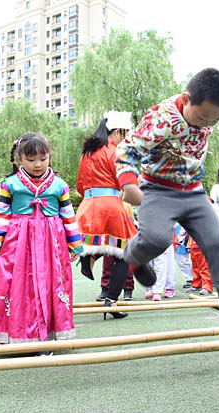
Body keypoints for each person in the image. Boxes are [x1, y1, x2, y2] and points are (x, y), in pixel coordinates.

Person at [115, 68, 219, 355]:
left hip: (192, 191)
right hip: (158, 189)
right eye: (202, 117)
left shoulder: (207, 113)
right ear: (186, 99)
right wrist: (129, 184)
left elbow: (203, 125)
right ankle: (134, 255)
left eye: (214, 120)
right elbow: (127, 149)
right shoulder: (162, 118)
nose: (206, 124)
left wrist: (207, 121)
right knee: (157, 239)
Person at [0, 133, 82, 344]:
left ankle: (48, 332)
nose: (38, 164)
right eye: (31, 159)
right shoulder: (9, 184)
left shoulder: (60, 185)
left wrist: (74, 244)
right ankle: (11, 331)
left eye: (43, 158)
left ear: (49, 157)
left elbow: (68, 214)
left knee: (51, 282)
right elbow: (0, 213)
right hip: (18, 241)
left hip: (52, 242)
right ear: (19, 159)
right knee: (15, 283)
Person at [75, 112, 136, 319]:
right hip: (110, 205)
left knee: (98, 243)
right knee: (124, 254)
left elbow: (80, 185)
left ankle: (89, 255)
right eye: (125, 133)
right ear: (117, 132)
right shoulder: (116, 151)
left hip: (87, 205)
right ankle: (111, 301)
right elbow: (124, 181)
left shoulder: (87, 153)